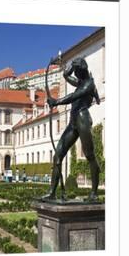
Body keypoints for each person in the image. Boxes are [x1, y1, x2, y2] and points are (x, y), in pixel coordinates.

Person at [45, 57, 101, 201]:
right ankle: (52, 192)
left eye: (76, 72)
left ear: (81, 71)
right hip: (73, 122)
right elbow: (69, 79)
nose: (75, 75)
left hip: (82, 119)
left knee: (90, 155)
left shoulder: (89, 84)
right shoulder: (82, 82)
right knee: (58, 155)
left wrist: (56, 102)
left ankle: (94, 193)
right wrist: (66, 72)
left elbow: (73, 95)